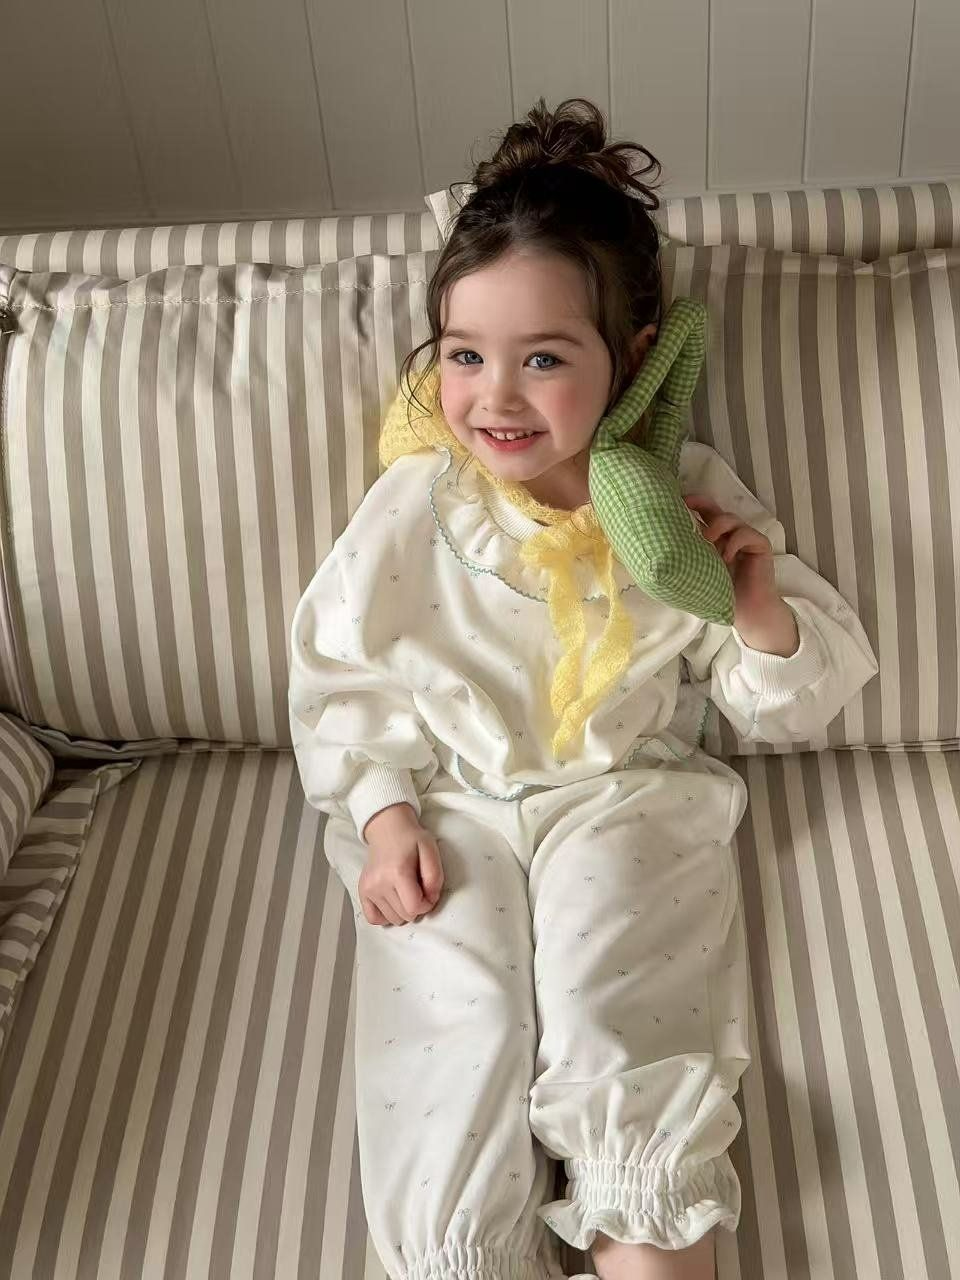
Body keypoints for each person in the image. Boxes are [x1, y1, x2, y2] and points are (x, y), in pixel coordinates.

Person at [288, 97, 879, 1280]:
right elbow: (343, 670)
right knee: (451, 1017)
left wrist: (751, 604)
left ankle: (645, 1225)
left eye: (545, 358)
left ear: (637, 355)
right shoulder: (420, 503)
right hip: (451, 800)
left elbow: (784, 700)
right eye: (466, 355)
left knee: (621, 994)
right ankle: (465, 1250)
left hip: (624, 791)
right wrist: (384, 814)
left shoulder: (683, 497)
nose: (496, 397)